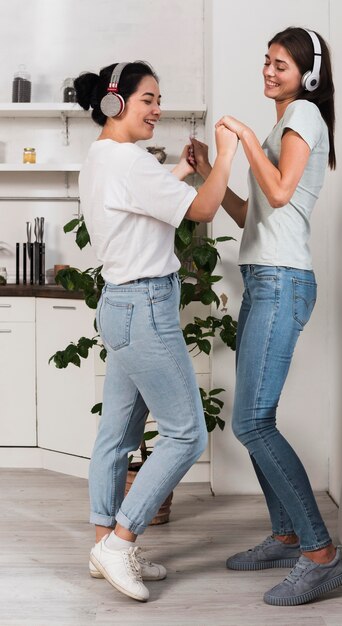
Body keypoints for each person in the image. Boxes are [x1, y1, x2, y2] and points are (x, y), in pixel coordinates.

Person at [190, 27, 342, 606]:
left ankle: (320, 555)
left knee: (253, 422)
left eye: (280, 64)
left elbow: (281, 191)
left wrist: (246, 138)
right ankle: (286, 536)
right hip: (265, 277)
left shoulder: (303, 115)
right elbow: (252, 214)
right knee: (260, 417)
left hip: (282, 282)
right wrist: (213, 165)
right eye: (266, 61)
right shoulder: (284, 126)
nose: (268, 71)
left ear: (306, 76)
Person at [74, 60, 238, 602]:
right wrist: (226, 155)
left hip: (118, 305)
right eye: (148, 99)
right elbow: (206, 209)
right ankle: (120, 543)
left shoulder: (101, 158)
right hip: (145, 307)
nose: (158, 109)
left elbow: (145, 201)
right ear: (116, 102)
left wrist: (186, 172)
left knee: (116, 438)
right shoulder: (129, 161)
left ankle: (104, 546)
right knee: (187, 433)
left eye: (159, 99)